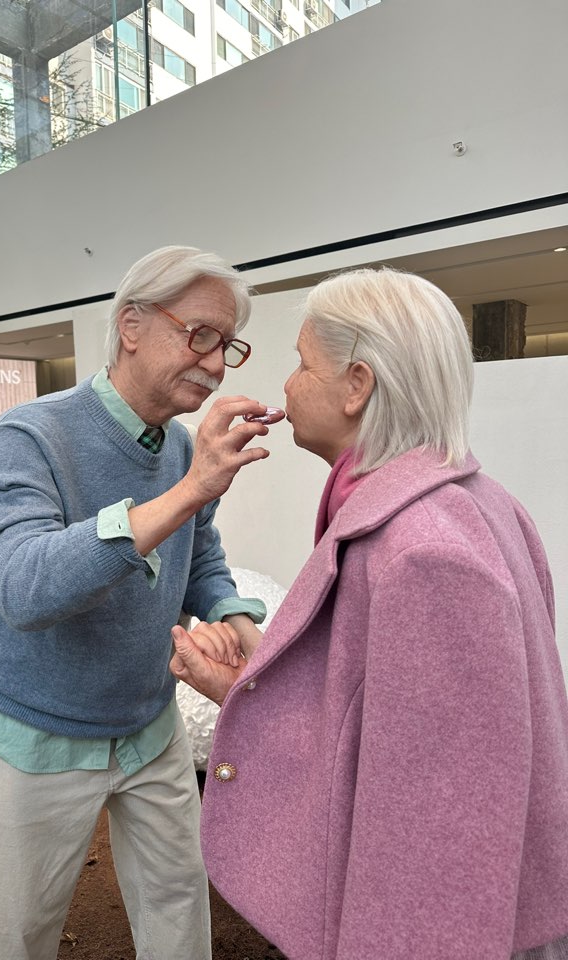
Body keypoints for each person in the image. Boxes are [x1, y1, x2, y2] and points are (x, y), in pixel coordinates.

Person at [171, 267, 568, 960]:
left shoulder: (423, 554)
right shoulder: (472, 506)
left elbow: (437, 833)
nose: (287, 383)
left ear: (357, 385)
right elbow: (384, 730)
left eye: (302, 362)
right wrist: (245, 688)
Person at [0, 245, 276, 960]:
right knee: (18, 933)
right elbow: (21, 588)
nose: (217, 364)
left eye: (227, 345)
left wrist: (243, 629)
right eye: (200, 336)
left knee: (178, 901)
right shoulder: (29, 436)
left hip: (147, 721)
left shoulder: (180, 446)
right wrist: (190, 490)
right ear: (131, 325)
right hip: (34, 728)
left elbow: (199, 554)